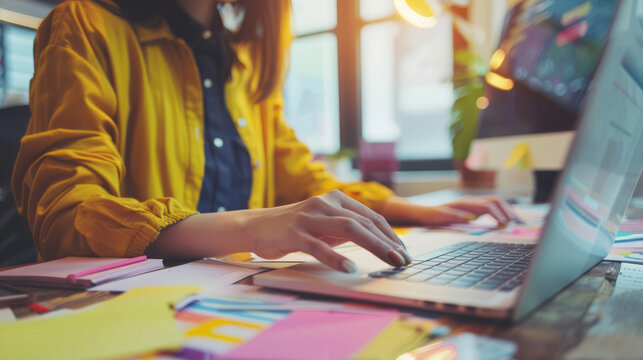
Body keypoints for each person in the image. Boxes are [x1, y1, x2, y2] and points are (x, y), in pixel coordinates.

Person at [12, 0, 516, 273]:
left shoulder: (246, 62)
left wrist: (412, 210)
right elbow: (64, 214)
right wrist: (249, 227)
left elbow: (300, 176)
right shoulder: (84, 24)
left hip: (232, 293)